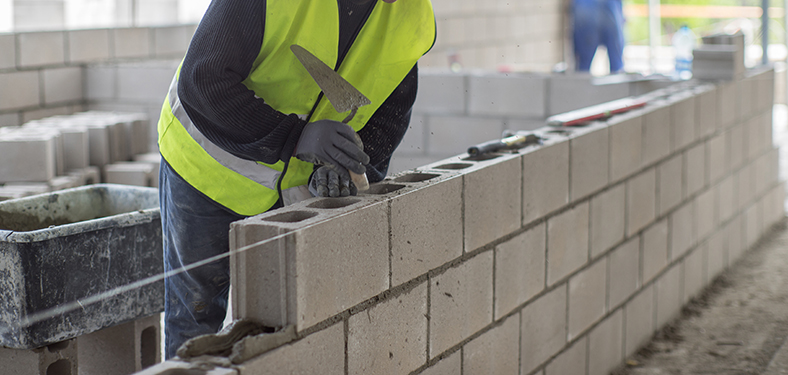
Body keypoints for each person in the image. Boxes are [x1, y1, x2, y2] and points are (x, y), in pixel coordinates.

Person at [156, 0, 436, 358]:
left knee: (277, 327)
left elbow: (388, 117)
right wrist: (295, 136)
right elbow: (204, 80)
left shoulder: (409, 14)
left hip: (290, 187)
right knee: (196, 322)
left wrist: (345, 168)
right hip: (206, 169)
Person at [572, 0, 626, 73]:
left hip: (587, 6)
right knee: (617, 69)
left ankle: (579, 81)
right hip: (605, 6)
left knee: (583, 69)